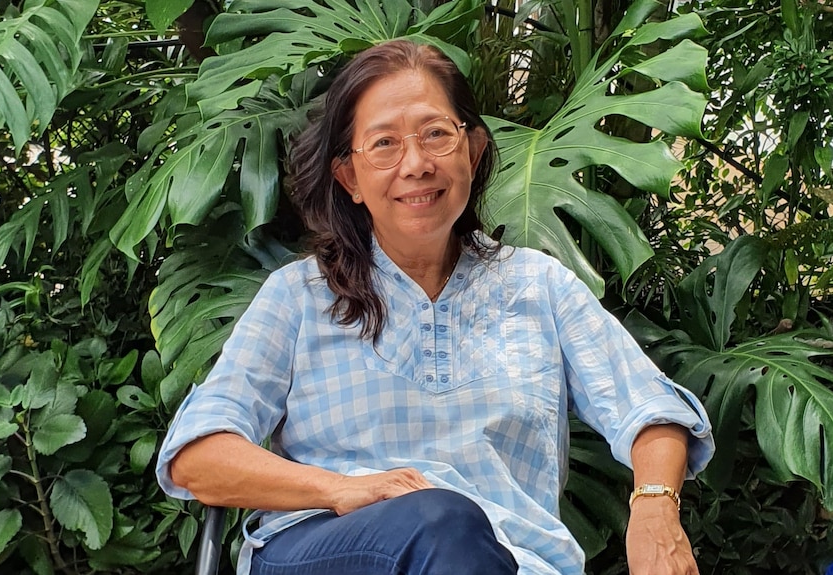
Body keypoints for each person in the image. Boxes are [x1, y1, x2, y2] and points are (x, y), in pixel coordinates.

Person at [156, 39, 714, 575]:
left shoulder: (539, 286)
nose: (416, 163)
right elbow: (199, 455)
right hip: (329, 548)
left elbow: (650, 409)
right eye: (384, 144)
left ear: (472, 150)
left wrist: (655, 505)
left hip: (513, 559)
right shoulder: (298, 296)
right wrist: (343, 490)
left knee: (456, 534)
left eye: (435, 135)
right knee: (443, 521)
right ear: (349, 177)